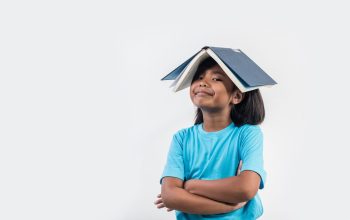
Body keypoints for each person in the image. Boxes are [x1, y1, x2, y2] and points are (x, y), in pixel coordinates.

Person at [154, 56, 267, 219]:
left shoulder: (248, 134)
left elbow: (246, 188)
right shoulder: (182, 138)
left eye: (216, 78)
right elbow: (170, 196)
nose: (203, 82)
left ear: (236, 96)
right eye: (199, 77)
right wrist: (228, 206)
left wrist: (190, 186)